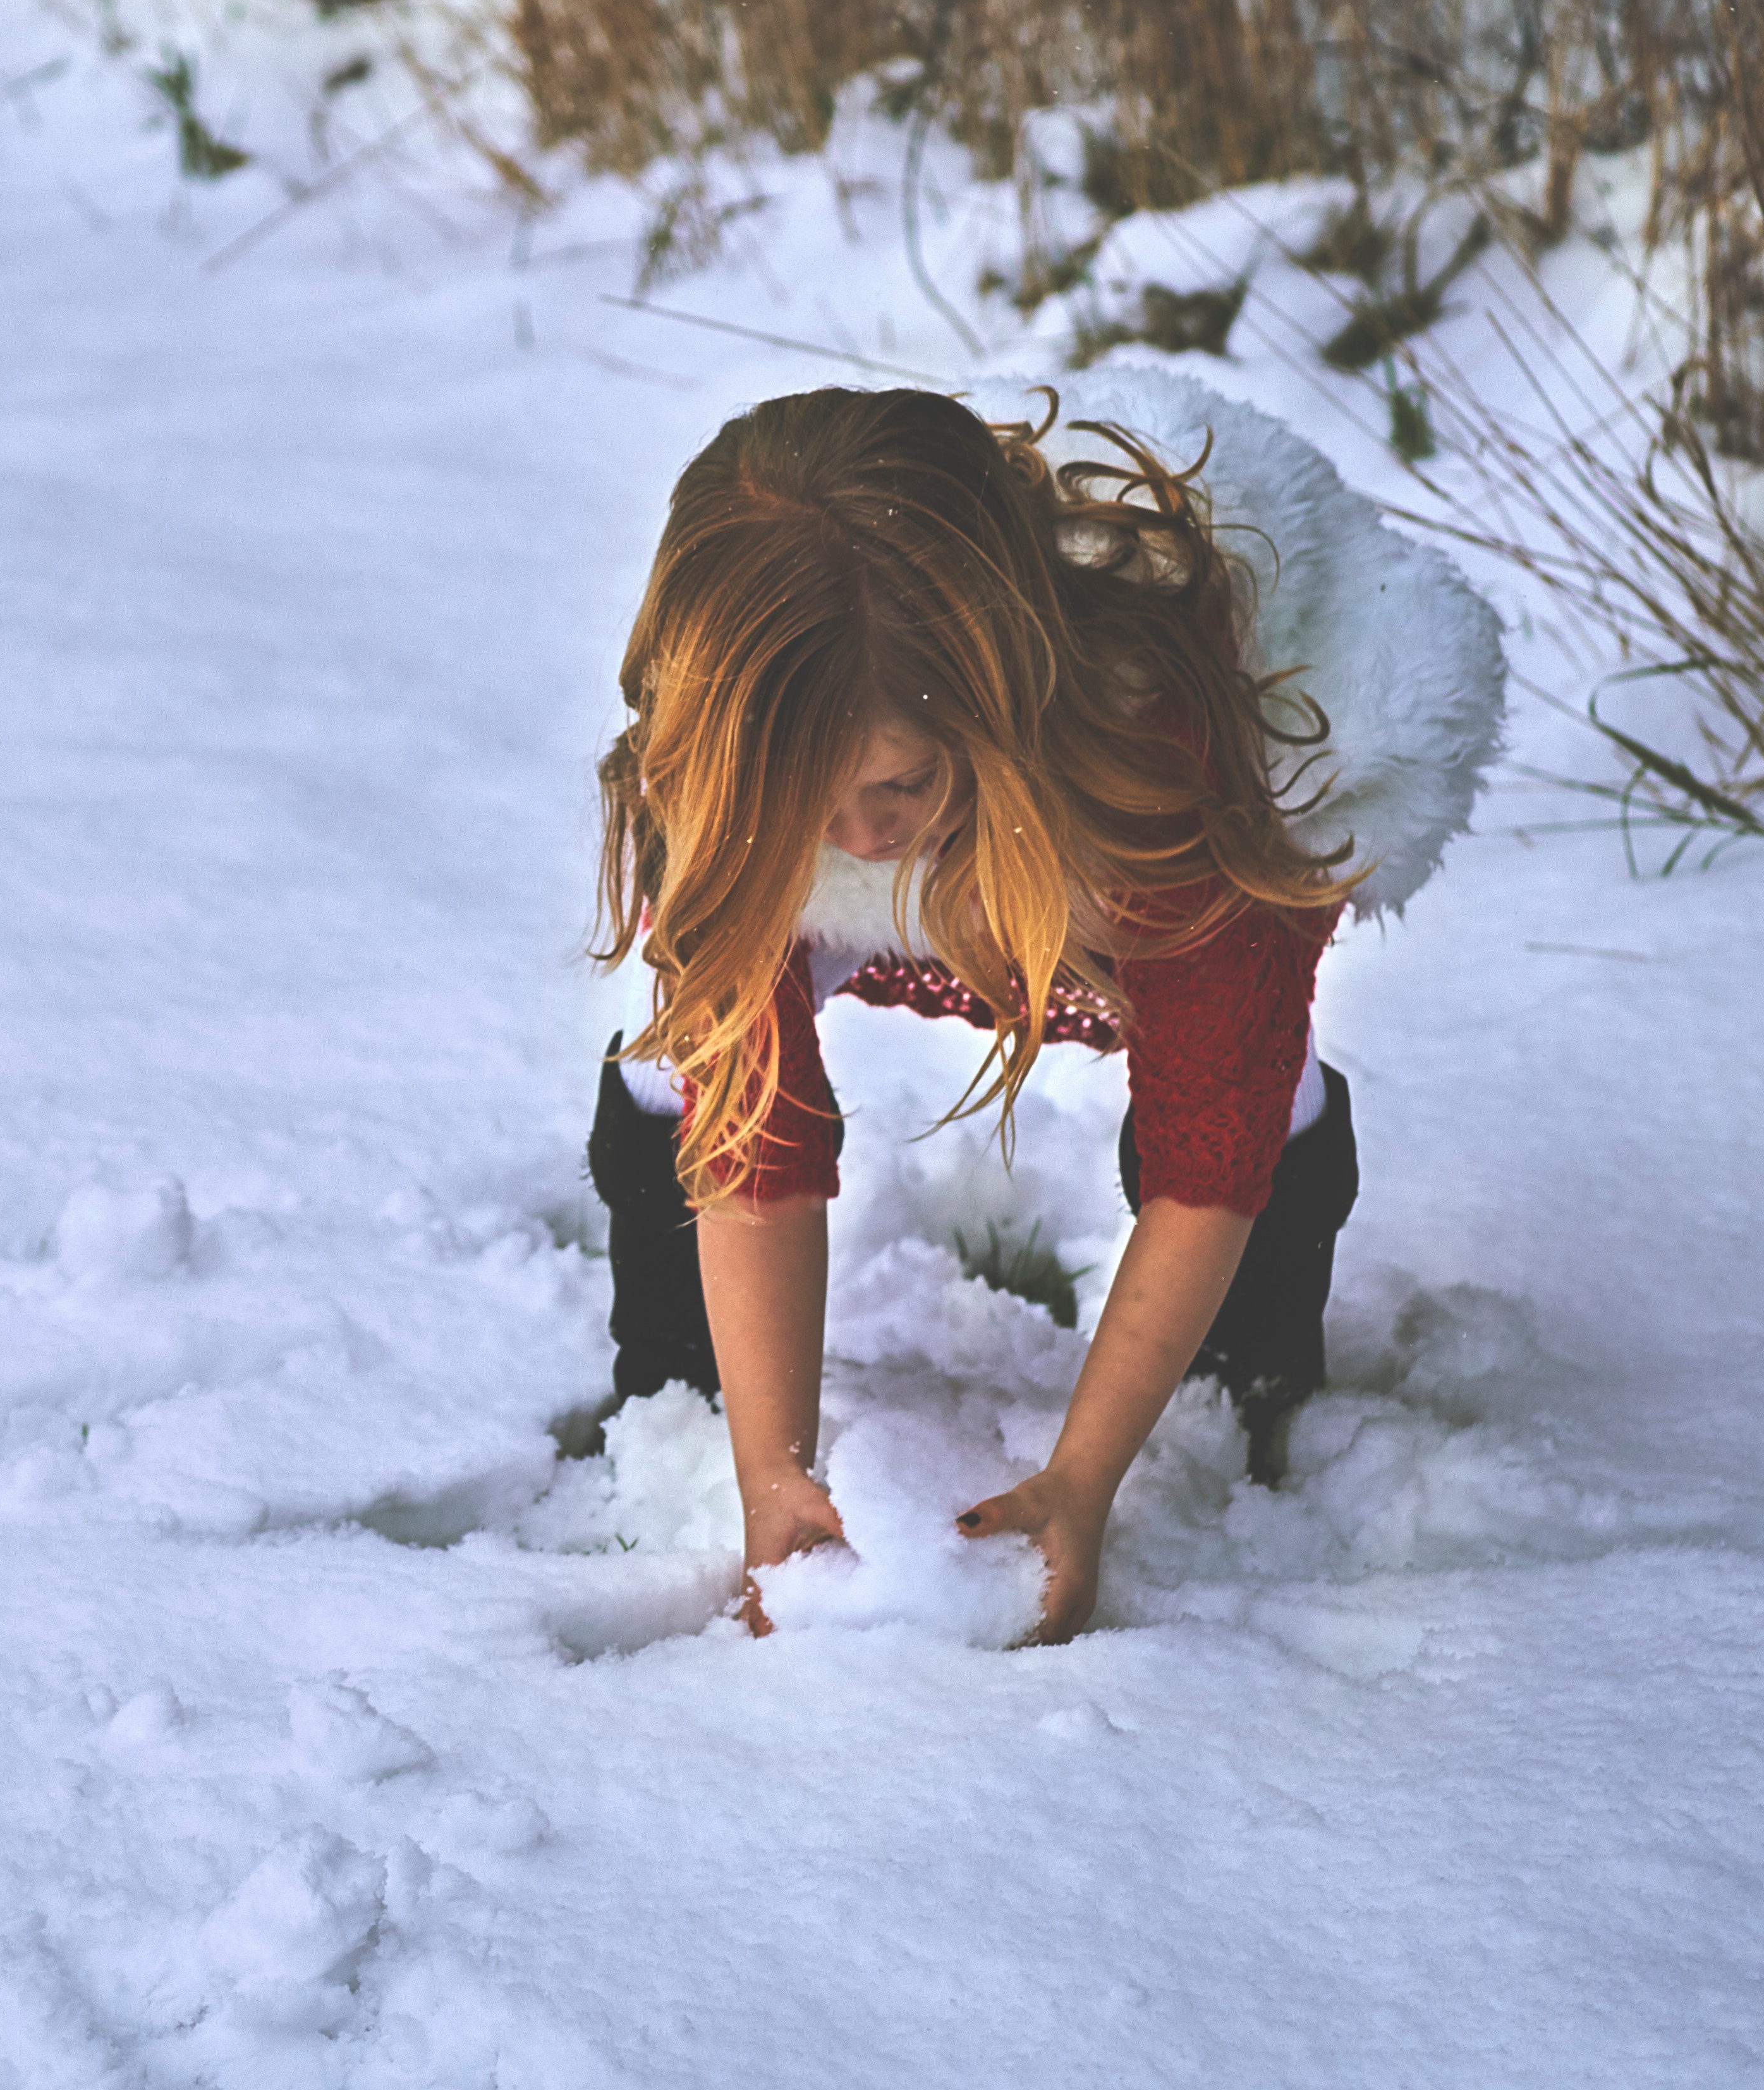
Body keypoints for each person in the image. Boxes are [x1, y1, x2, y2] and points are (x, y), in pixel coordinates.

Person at [585, 374, 1502, 1643]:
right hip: (959, 823)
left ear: (990, 700)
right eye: (817, 797)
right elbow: (755, 1144)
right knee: (683, 1072)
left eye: (900, 783)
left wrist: (1082, 1479)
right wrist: (767, 1472)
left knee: (1252, 1094)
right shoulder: (736, 783)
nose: (863, 835)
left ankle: (1242, 1393)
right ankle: (670, 1392)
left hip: (1106, 843)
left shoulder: (1165, 777)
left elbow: (1206, 1159)